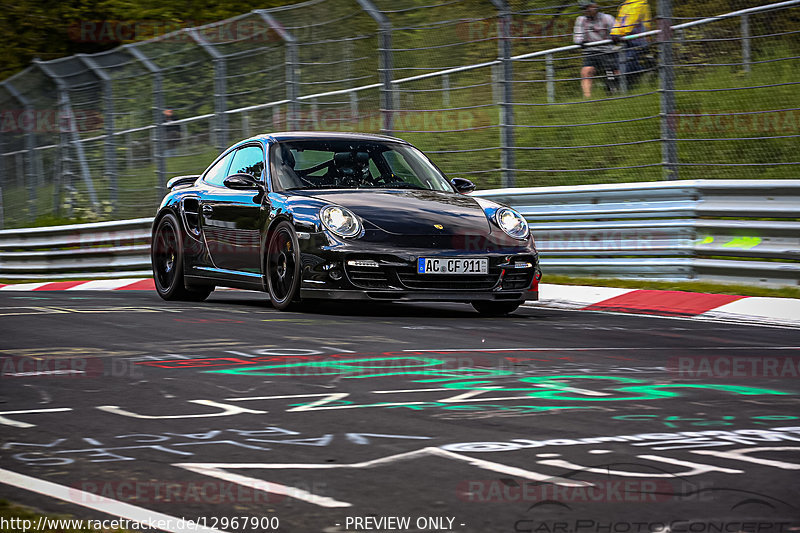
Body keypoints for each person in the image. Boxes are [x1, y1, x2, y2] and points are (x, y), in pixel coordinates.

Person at [573, 1, 619, 99]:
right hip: (591, 51)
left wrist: (615, 36)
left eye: (588, 7)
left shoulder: (607, 18)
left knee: (613, 72)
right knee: (586, 71)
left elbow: (616, 31)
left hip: (607, 50)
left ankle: (614, 92)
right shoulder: (581, 20)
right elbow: (577, 37)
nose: (587, 10)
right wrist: (580, 41)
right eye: (584, 8)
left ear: (595, 6)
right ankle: (587, 98)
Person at [610, 0, 654, 88]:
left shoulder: (640, 3)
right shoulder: (625, 5)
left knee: (627, 64)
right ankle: (646, 70)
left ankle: (647, 69)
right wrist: (614, 33)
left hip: (638, 39)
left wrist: (620, 33)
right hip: (626, 39)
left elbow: (632, 20)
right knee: (622, 63)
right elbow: (619, 21)